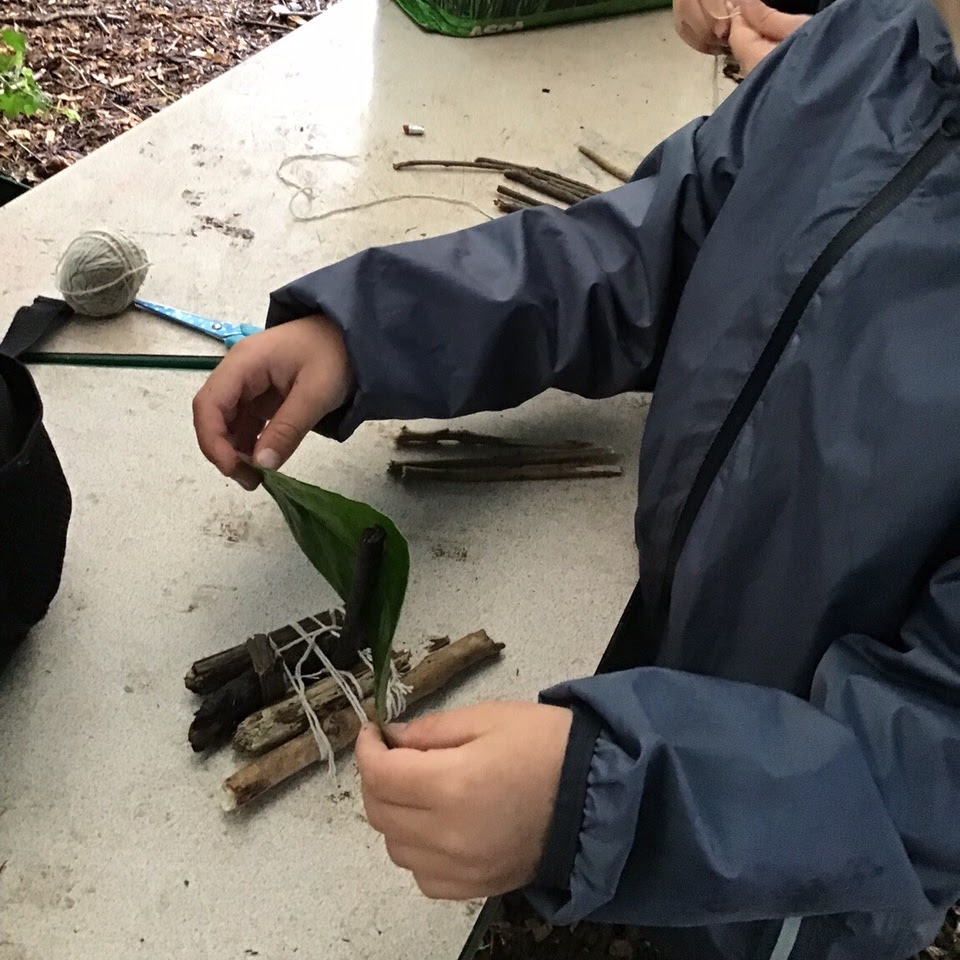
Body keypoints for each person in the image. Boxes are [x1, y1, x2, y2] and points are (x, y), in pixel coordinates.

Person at [191, 0, 960, 954]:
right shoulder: (871, 45)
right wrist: (368, 332)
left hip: (812, 880)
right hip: (681, 670)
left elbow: (929, 767)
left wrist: (600, 802)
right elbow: (645, 251)